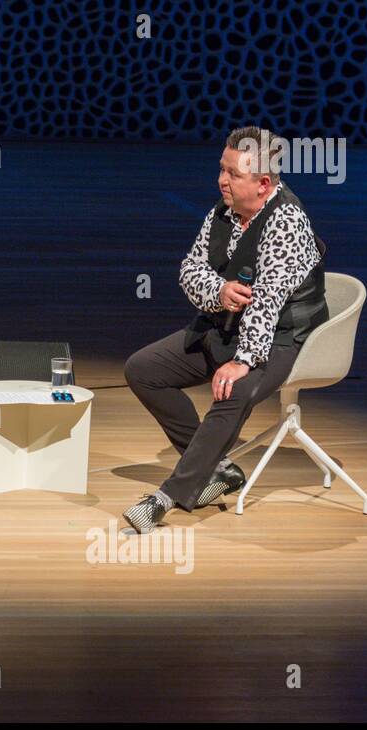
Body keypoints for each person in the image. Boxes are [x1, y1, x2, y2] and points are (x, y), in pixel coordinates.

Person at [122, 127, 328, 533]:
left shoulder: (286, 221)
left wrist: (243, 361)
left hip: (280, 336)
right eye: (222, 169)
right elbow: (190, 270)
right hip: (227, 324)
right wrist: (219, 290)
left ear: (264, 182)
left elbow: (267, 302)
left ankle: (168, 497)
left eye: (233, 174)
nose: (222, 180)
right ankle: (220, 468)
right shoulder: (222, 212)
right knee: (143, 369)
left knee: (232, 390)